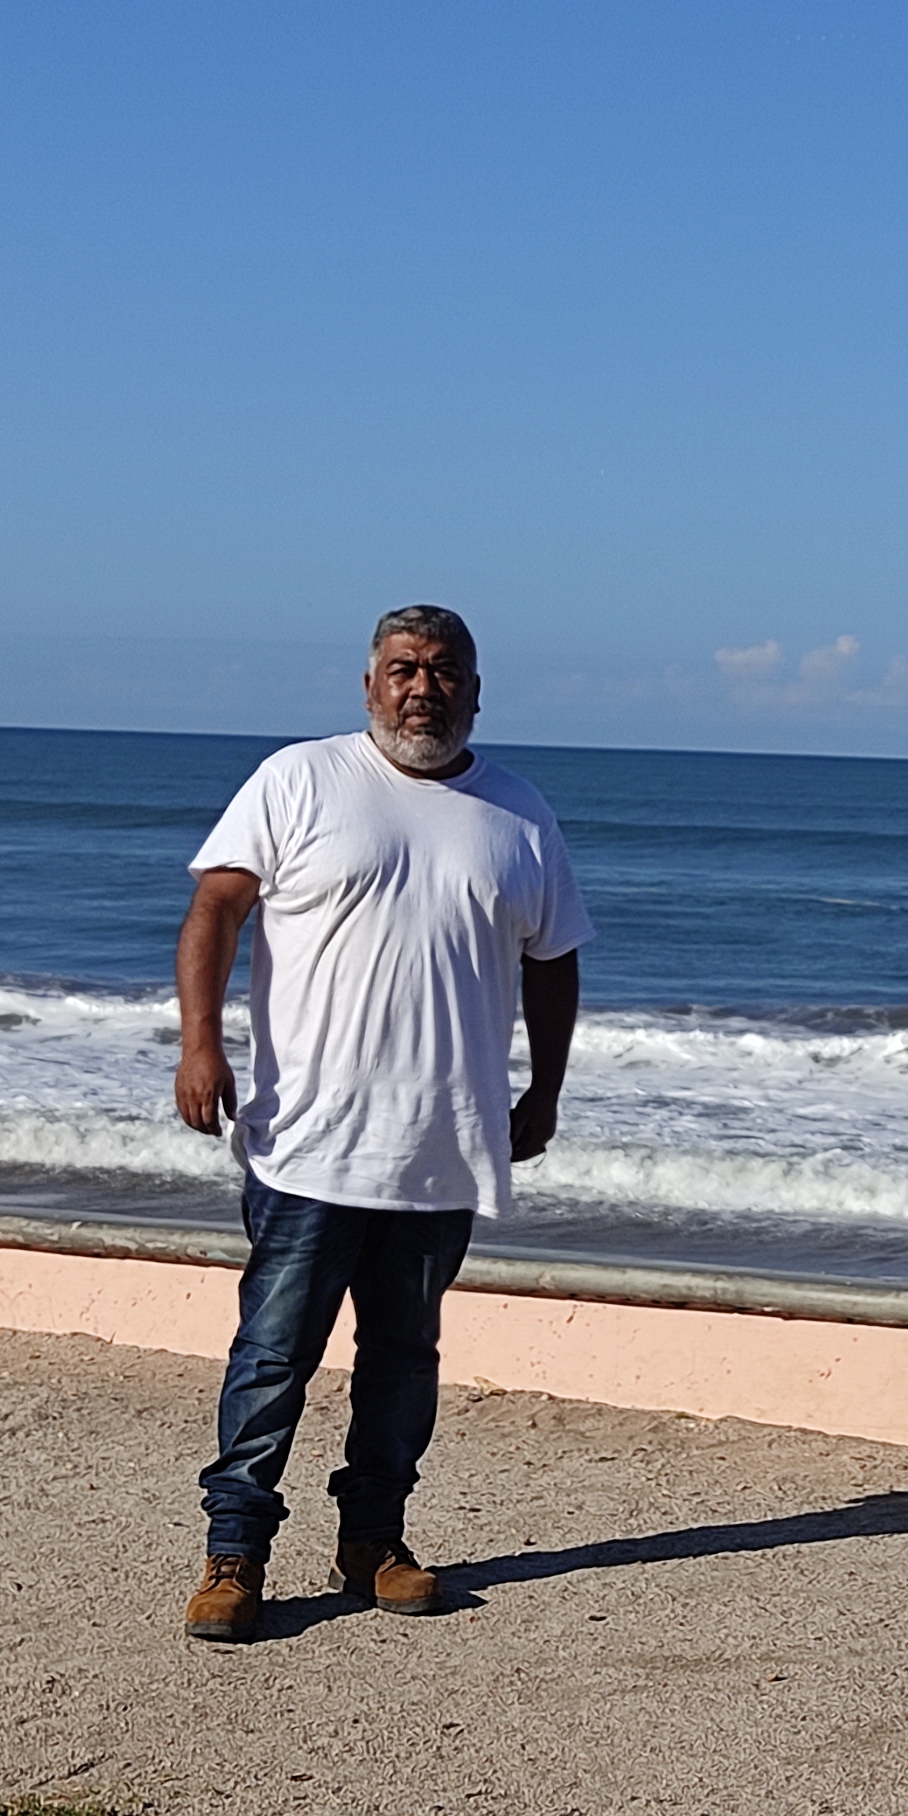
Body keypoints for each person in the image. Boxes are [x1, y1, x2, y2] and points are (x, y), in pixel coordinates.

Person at [169, 604, 589, 1645]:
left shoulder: (519, 814)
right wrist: (199, 1044)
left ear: (476, 692)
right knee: (273, 1359)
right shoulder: (299, 779)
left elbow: (555, 959)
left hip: (440, 1148)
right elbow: (218, 907)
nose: (423, 688)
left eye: (446, 672)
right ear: (368, 687)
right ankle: (235, 1557)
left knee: (404, 1362)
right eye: (403, 668)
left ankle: (374, 1542)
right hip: (307, 1142)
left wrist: (542, 1091)